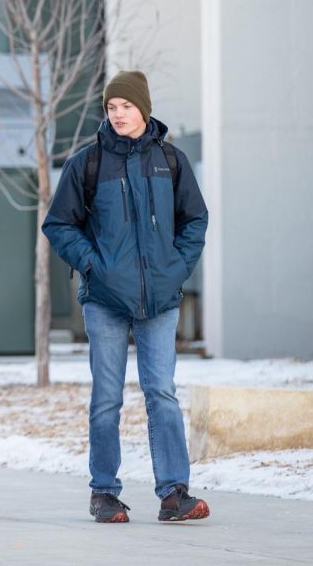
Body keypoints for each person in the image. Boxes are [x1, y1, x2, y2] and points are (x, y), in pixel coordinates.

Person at [42, 70, 210, 523]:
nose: (118, 114)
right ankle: (104, 493)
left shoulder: (170, 161)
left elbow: (195, 220)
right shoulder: (88, 163)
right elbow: (58, 224)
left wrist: (176, 267)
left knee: (162, 394)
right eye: (111, 107)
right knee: (107, 398)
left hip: (160, 299)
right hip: (105, 301)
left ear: (144, 109)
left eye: (126, 106)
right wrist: (94, 265)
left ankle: (174, 493)